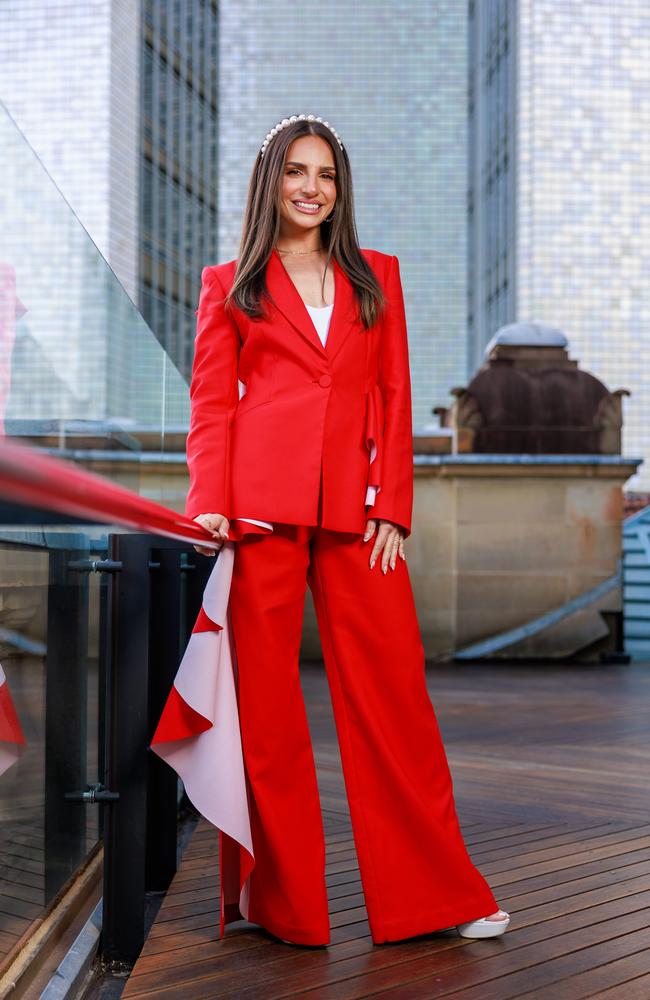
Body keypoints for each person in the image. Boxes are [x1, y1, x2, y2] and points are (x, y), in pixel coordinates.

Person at [186, 114, 510, 946]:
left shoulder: (378, 277)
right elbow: (214, 407)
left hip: (360, 517)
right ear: (271, 182)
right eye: (295, 172)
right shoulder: (229, 284)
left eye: (325, 174)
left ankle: (438, 898)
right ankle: (279, 903)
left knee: (395, 699)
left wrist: (393, 505)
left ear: (341, 187)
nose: (311, 188)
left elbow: (395, 396)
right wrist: (208, 505)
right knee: (264, 714)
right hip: (257, 514)